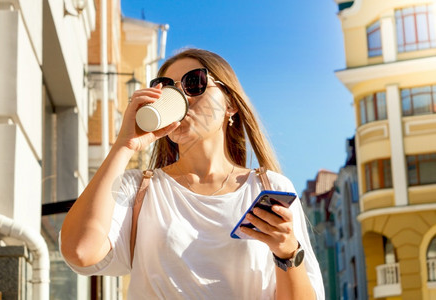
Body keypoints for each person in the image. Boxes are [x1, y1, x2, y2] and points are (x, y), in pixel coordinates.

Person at [60, 48, 325, 299]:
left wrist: (288, 251)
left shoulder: (269, 187)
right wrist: (124, 145)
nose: (180, 97)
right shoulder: (139, 189)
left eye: (195, 83)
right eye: (167, 88)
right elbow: (80, 251)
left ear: (230, 103)